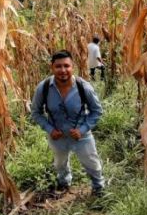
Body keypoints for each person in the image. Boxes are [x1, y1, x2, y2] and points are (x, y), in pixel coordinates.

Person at [31, 50, 105, 196]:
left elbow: (97, 111)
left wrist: (82, 130)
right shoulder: (43, 88)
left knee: (92, 162)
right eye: (58, 66)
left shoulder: (84, 87)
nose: (63, 70)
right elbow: (36, 112)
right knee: (60, 164)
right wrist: (50, 129)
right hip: (57, 137)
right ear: (52, 67)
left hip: (81, 136)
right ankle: (64, 183)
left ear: (73, 67)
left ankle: (99, 187)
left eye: (66, 66)